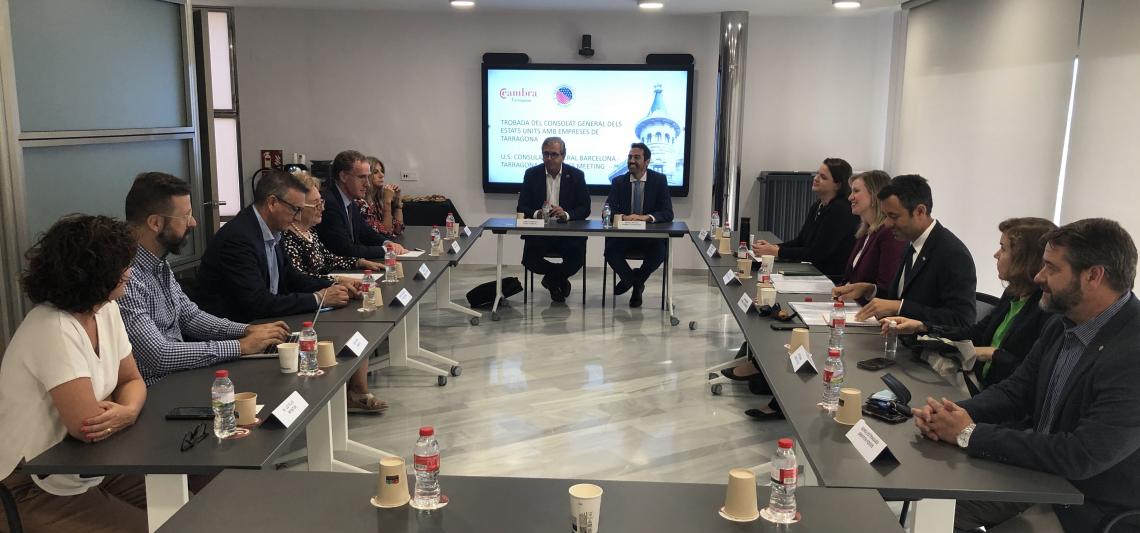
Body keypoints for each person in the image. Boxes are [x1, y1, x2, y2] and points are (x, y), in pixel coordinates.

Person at [914, 218, 1140, 532]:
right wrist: (952, 414)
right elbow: (1017, 390)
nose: (1038, 276)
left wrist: (969, 433)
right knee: (926, 506)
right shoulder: (1063, 321)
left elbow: (1081, 455)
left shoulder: (1132, 353)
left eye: (1051, 268)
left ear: (1093, 276)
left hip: (1085, 506)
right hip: (1037, 473)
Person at [0, 215, 148, 532]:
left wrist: (128, 411)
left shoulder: (105, 310)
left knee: (187, 508)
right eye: (122, 266)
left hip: (87, 467)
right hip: (29, 485)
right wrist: (123, 409)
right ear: (96, 273)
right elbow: (88, 426)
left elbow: (132, 380)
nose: (129, 272)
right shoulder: (51, 327)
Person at [118, 172, 291, 386]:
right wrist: (241, 346)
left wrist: (247, 330)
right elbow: (159, 355)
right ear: (155, 223)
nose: (193, 222)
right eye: (185, 216)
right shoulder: (125, 277)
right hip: (157, 389)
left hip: (180, 378)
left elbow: (190, 316)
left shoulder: (159, 264)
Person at [884, 218, 1056, 390]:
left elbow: (1035, 377)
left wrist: (995, 355)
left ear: (1025, 259)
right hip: (981, 386)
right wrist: (922, 326)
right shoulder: (1012, 293)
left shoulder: (1046, 311)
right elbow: (974, 333)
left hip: (1000, 396)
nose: (996, 254)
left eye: (1003, 249)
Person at [282, 171, 390, 414]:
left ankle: (357, 390)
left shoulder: (309, 231)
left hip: (324, 295)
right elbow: (299, 279)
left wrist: (358, 261)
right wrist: (337, 280)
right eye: (316, 203)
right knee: (355, 320)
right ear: (298, 207)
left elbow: (328, 258)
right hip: (305, 303)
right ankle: (348, 392)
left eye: (321, 201)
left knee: (364, 316)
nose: (322, 208)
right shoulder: (288, 237)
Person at [194, 169, 354, 324]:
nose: (298, 217)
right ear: (272, 203)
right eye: (295, 209)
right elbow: (257, 302)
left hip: (264, 322)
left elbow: (292, 278)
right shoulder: (238, 238)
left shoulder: (273, 230)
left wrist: (335, 286)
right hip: (237, 330)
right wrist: (318, 298)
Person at [832, 174, 977, 328]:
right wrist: (870, 290)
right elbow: (901, 296)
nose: (887, 224)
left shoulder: (953, 254)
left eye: (893, 216)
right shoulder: (911, 243)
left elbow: (962, 320)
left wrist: (900, 307)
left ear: (920, 211)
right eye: (886, 216)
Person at [752, 158, 860, 280]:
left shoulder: (840, 210)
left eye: (823, 177)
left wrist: (776, 251)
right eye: (817, 174)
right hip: (814, 270)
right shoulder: (818, 205)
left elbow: (817, 253)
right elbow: (801, 241)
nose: (816, 178)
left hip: (830, 277)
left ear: (837, 185)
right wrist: (773, 247)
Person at [516, 137, 590, 302]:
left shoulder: (576, 175)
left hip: (568, 233)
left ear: (563, 156)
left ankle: (551, 280)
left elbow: (585, 208)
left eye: (554, 154)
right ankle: (558, 279)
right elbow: (522, 207)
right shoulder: (531, 174)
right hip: (540, 233)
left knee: (576, 259)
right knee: (529, 260)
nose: (549, 158)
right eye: (546, 154)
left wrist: (567, 214)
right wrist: (537, 213)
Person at [603, 142, 674, 308]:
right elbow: (607, 210)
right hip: (624, 236)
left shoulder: (659, 180)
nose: (631, 161)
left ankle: (634, 280)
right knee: (610, 251)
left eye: (636, 157)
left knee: (660, 251)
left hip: (649, 237)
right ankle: (634, 282)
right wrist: (624, 217)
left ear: (647, 161)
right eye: (630, 157)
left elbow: (667, 213)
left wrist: (645, 218)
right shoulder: (618, 182)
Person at [314, 149, 406, 260]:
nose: (367, 184)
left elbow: (365, 232)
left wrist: (387, 243)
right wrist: (387, 250)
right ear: (343, 177)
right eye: (362, 177)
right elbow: (345, 249)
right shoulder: (329, 204)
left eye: (368, 177)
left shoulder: (349, 201)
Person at [842, 170, 907, 292]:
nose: (850, 197)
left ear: (874, 195)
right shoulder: (866, 232)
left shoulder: (889, 234)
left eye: (856, 191)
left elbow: (886, 287)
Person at [359, 156, 404, 237]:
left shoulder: (378, 198)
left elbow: (398, 229)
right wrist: (387, 203)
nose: (382, 175)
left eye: (382, 171)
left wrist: (398, 202)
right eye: (375, 172)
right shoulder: (361, 202)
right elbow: (385, 233)